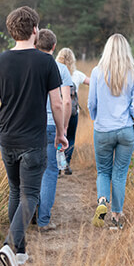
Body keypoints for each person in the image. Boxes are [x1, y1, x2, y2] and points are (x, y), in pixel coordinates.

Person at [0, 7, 68, 266]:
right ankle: (10, 245)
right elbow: (57, 102)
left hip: (8, 139)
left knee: (15, 191)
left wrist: (3, 125)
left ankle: (19, 252)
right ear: (35, 30)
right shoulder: (47, 63)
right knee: (30, 195)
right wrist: (61, 132)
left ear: (12, 31)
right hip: (33, 140)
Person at [88, 34, 134, 230]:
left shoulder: (96, 72)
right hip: (126, 131)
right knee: (119, 174)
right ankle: (116, 217)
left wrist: (97, 117)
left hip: (102, 130)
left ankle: (102, 200)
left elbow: (92, 103)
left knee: (103, 171)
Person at [34, 29, 72, 231]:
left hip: (30, 126)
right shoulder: (61, 69)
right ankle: (43, 220)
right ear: (54, 47)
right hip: (51, 125)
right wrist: (63, 127)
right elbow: (66, 102)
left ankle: (28, 215)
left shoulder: (30, 65)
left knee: (32, 172)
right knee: (50, 172)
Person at [56, 47, 89, 176]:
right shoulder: (77, 74)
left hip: (57, 112)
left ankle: (58, 165)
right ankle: (67, 163)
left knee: (59, 139)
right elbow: (92, 82)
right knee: (70, 138)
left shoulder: (54, 71)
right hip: (73, 113)